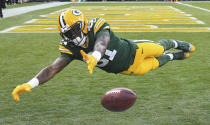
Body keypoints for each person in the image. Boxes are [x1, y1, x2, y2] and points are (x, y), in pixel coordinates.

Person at [12, 9, 195, 102]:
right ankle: (175, 57)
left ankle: (176, 44)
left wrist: (96, 56)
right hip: (126, 69)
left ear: (83, 24)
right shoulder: (70, 48)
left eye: (75, 30)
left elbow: (103, 41)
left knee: (160, 48)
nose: (73, 36)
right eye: (68, 34)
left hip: (135, 49)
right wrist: (30, 84)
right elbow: (53, 69)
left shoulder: (96, 25)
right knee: (154, 65)